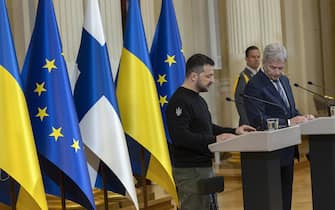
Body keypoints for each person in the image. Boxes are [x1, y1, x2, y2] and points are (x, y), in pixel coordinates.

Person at [165, 53, 255, 210]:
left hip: (204, 167)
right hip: (189, 170)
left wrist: (235, 131)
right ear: (194, 76)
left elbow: (208, 127)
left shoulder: (198, 99)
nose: (213, 80)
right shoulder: (179, 101)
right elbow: (181, 137)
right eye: (209, 76)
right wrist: (214, 140)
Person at [243, 43, 314, 210]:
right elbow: (258, 121)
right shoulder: (254, 85)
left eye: (281, 68)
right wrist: (288, 123)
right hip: (269, 153)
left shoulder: (284, 80)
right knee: (274, 200)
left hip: (288, 148)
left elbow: (289, 110)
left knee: (286, 197)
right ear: (264, 62)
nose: (277, 72)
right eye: (273, 68)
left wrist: (302, 117)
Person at [234, 45, 261, 125]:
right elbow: (240, 102)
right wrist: (246, 123)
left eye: (258, 57)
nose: (256, 59)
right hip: (249, 123)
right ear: (246, 59)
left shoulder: (260, 76)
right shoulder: (243, 77)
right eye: (253, 57)